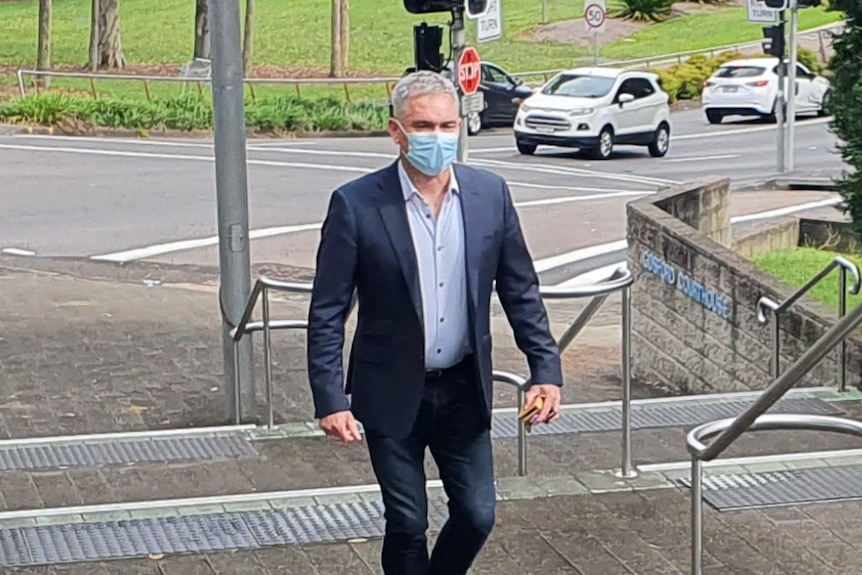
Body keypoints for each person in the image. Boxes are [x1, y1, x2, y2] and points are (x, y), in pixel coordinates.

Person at [306, 70, 563, 575]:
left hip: (464, 387)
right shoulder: (356, 205)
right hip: (389, 390)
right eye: (423, 126)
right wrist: (330, 398)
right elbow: (328, 309)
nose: (437, 137)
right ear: (396, 132)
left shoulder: (490, 195)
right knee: (406, 521)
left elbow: (520, 289)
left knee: (476, 513)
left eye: (447, 125)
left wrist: (545, 370)